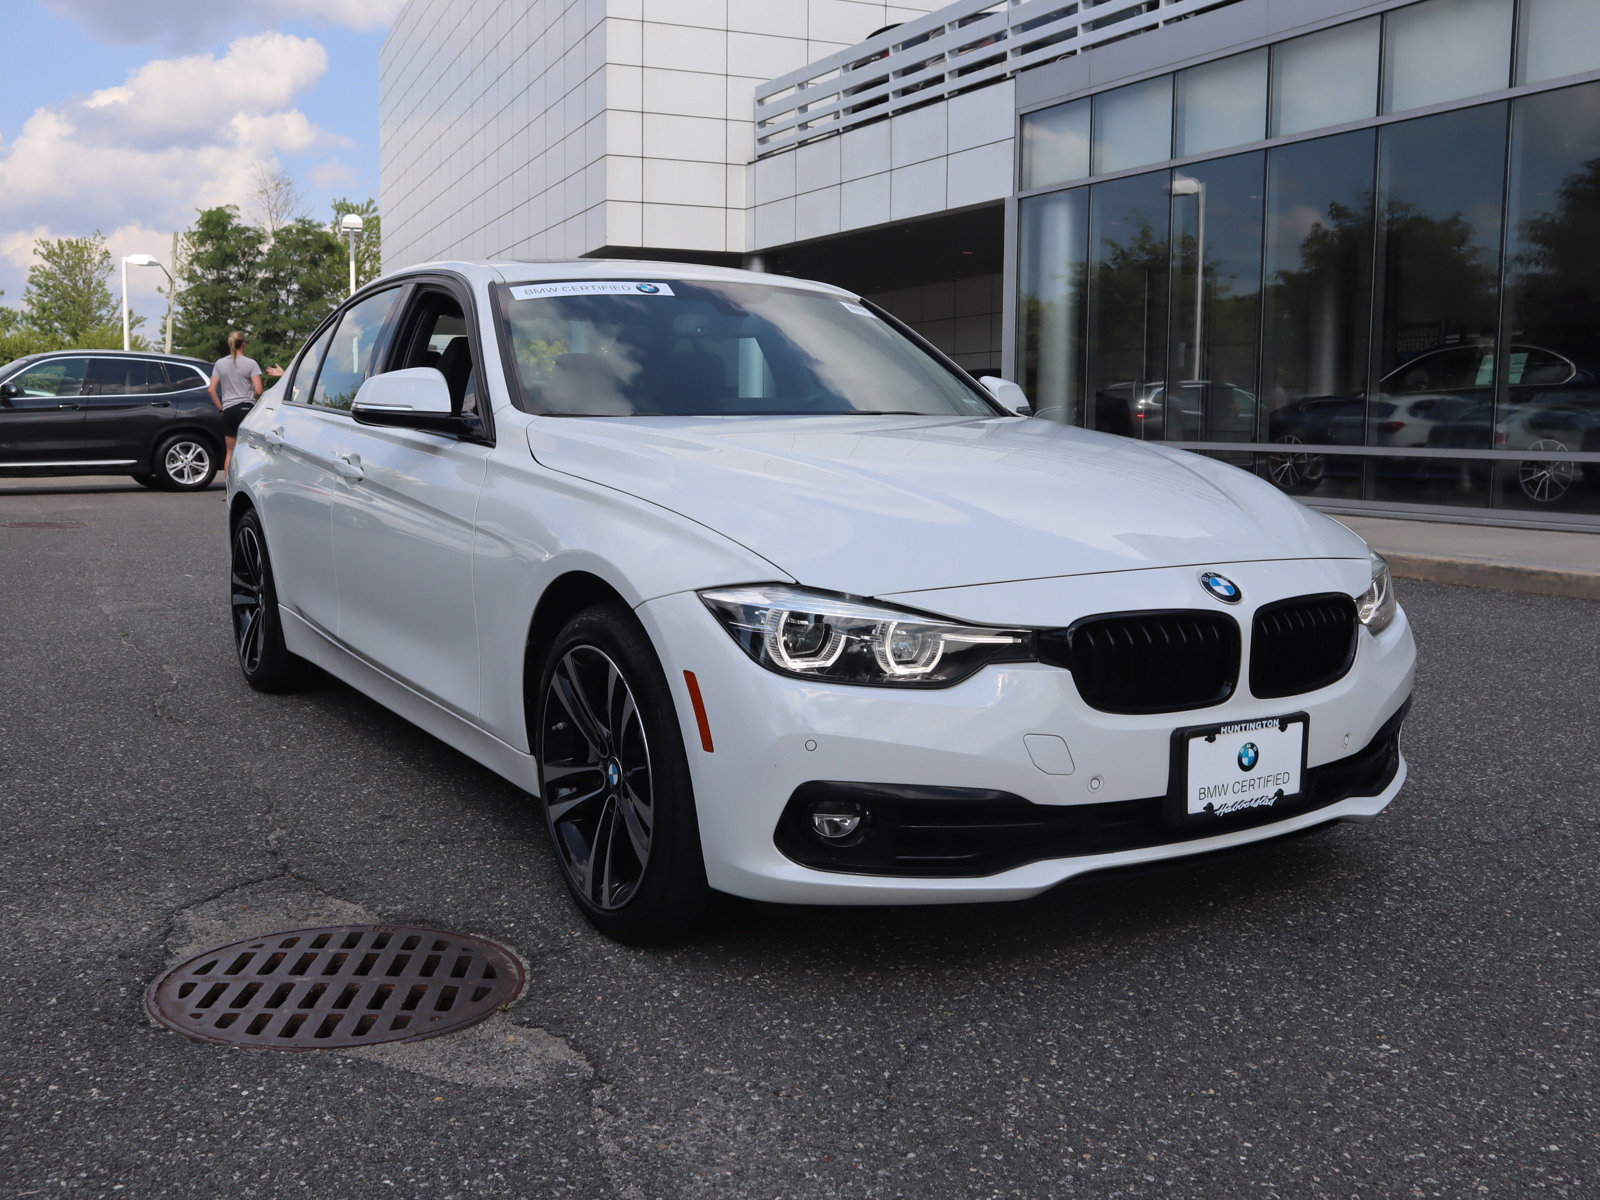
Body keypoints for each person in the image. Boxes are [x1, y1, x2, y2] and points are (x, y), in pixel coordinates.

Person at [210, 331, 266, 474]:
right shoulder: (251, 363)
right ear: (243, 344)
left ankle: (229, 492)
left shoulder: (220, 363)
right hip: (247, 410)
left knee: (230, 453)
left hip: (228, 410)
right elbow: (259, 391)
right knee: (248, 452)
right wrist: (250, 395)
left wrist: (221, 408)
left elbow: (211, 390)